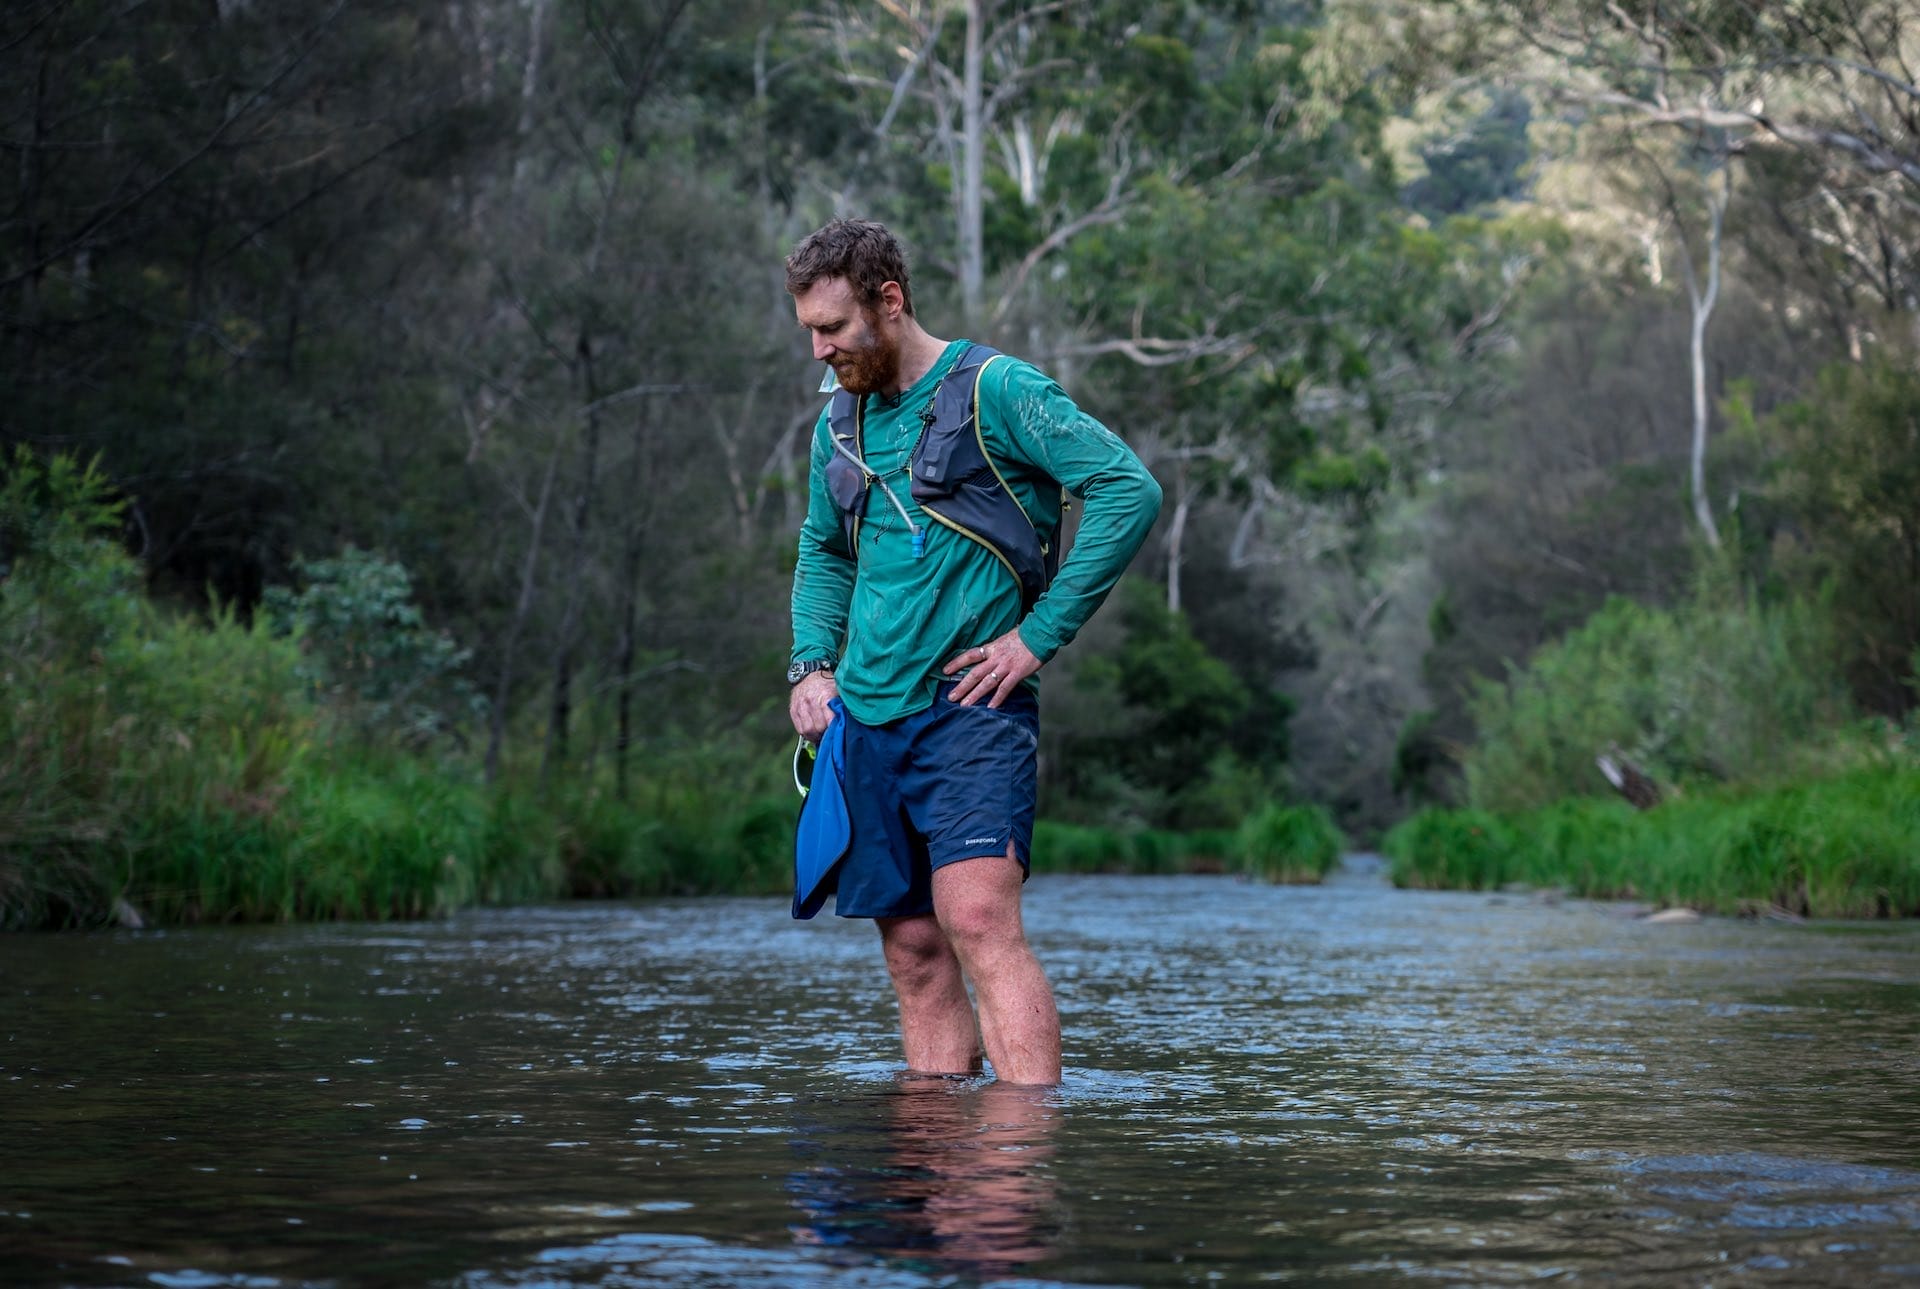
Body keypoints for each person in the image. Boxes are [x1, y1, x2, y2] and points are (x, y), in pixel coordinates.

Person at [785, 218, 1161, 1086]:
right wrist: (811, 664)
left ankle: (1020, 1151)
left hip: (973, 708)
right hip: (866, 718)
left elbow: (1126, 489)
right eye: (808, 329)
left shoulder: (998, 389)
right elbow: (823, 549)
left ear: (889, 300)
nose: (818, 349)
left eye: (832, 327)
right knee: (914, 950)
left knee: (979, 919)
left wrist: (1038, 636)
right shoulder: (836, 426)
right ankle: (935, 1150)